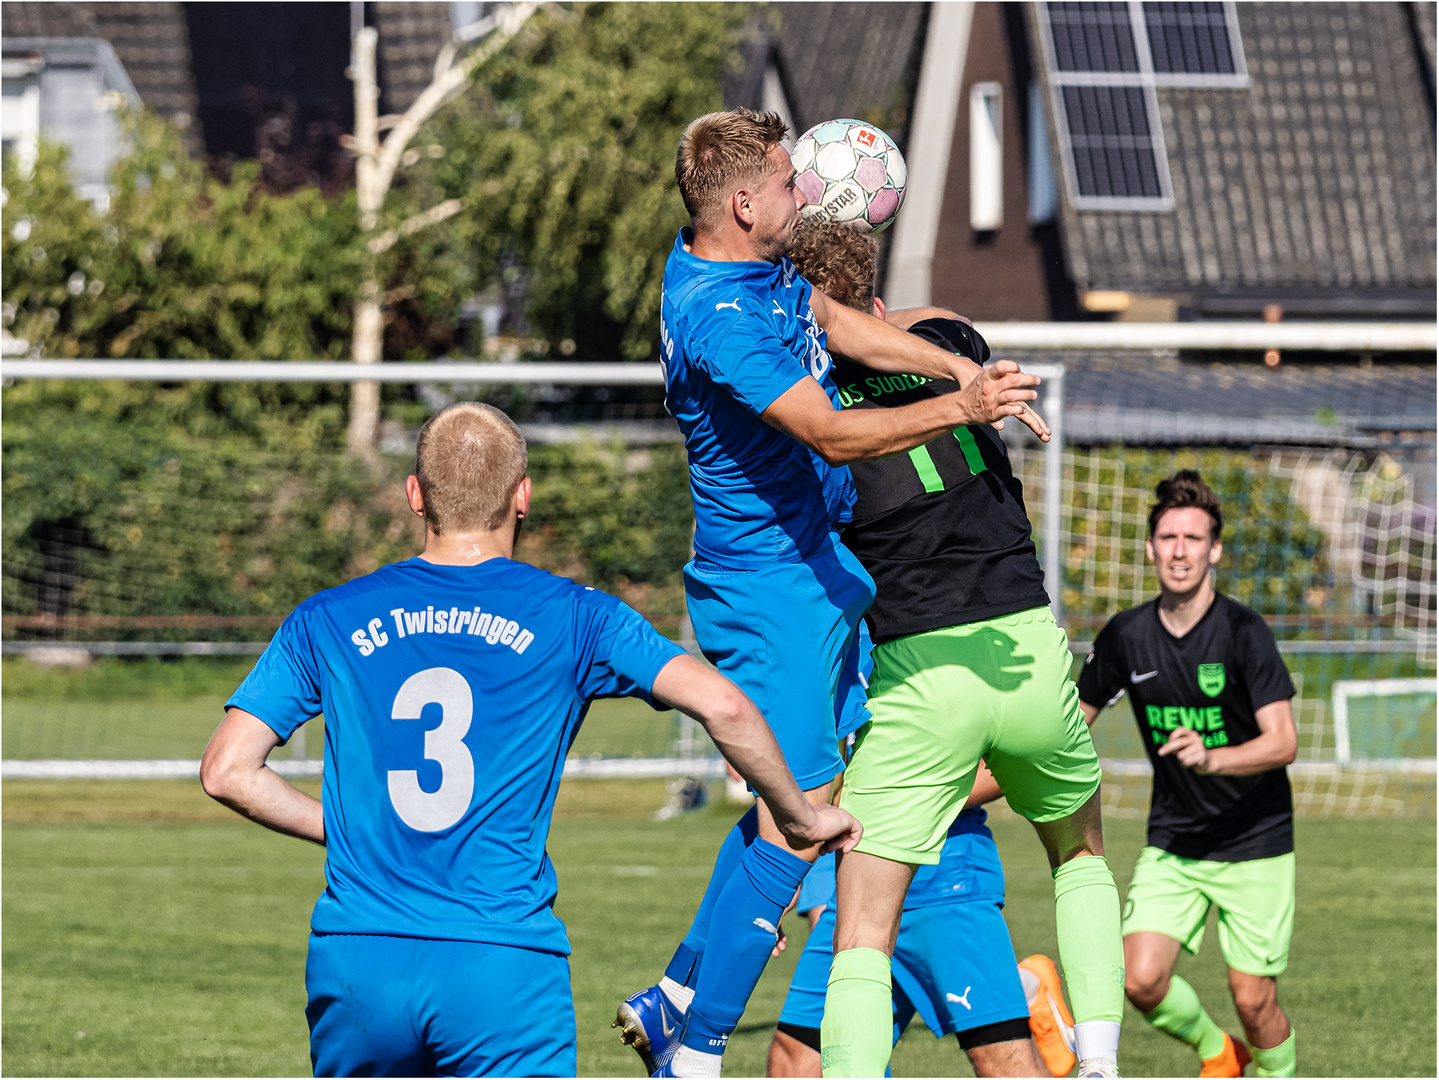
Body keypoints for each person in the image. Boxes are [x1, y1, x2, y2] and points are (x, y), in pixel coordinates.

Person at [199, 402, 861, 1078]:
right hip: (500, 960)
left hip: (357, 960)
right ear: (523, 496)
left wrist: (355, 832)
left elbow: (226, 770)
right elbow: (727, 708)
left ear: (414, 494)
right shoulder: (577, 615)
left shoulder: (326, 615)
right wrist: (800, 816)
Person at [615, 109, 1050, 1079]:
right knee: (802, 812)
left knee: (801, 806)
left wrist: (948, 359)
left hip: (816, 573)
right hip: (765, 590)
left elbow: (834, 321)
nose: (801, 193)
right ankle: (692, 1046)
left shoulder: (753, 272)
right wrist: (962, 407)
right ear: (740, 203)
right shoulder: (716, 318)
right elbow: (828, 430)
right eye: (784, 181)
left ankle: (679, 995)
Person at [783, 222, 1124, 1079]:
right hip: (1027, 650)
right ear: (878, 298)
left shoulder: (806, 401)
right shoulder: (950, 342)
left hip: (919, 669)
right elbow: (910, 318)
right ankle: (1104, 1065)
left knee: (861, 930)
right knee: (1079, 857)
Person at [1076, 470, 1299, 1079]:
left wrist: (1213, 756)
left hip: (1256, 841)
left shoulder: (1244, 632)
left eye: (1193, 538)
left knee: (1255, 1002)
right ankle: (1217, 1054)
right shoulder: (1126, 636)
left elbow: (1283, 742)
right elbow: (1072, 726)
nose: (1180, 550)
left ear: (1214, 550)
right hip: (1175, 839)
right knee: (1141, 980)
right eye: (1168, 537)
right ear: (1150, 548)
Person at [767, 767, 1077, 1079]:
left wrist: (903, 799)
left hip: (945, 880)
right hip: (858, 881)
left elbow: (1009, 763)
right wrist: (789, 867)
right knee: (799, 1064)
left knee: (1004, 1065)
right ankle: (1019, 984)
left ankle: (1017, 987)